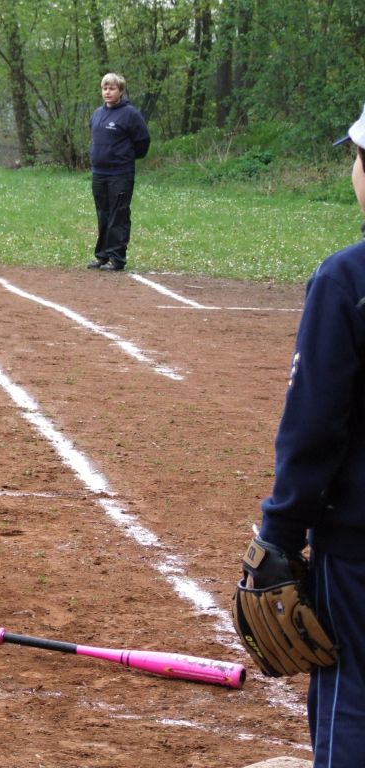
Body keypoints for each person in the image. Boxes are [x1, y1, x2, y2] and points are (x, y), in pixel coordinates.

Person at [239, 102, 365, 766]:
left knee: (352, 694)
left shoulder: (348, 279)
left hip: (358, 548)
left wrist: (280, 536)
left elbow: (314, 428)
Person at [87, 73, 150, 272]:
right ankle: (102, 256)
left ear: (120, 91)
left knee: (118, 214)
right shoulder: (97, 114)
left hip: (120, 174)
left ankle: (117, 257)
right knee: (103, 213)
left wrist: (124, 157)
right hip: (99, 172)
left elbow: (143, 142)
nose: (107, 92)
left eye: (112, 88)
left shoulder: (130, 114)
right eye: (105, 88)